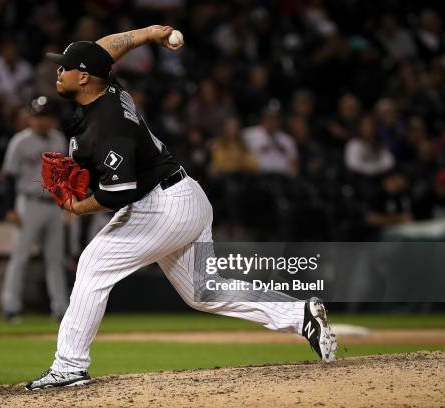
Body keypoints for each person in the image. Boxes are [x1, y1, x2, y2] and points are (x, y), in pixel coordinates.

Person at [24, 25, 337, 390]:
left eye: (64, 67)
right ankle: (300, 315)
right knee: (204, 292)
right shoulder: (103, 87)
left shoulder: (107, 126)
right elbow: (105, 48)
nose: (57, 72)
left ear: (83, 77)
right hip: (185, 197)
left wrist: (79, 209)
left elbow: (119, 192)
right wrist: (151, 32)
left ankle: (69, 367)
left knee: (93, 266)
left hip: (161, 206)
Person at [0, 97, 69, 323]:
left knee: (55, 259)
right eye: (38, 116)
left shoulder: (59, 140)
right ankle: (11, 307)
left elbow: (65, 177)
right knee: (20, 256)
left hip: (54, 205)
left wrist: (68, 203)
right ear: (30, 117)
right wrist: (10, 207)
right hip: (27, 203)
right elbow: (8, 177)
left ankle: (60, 309)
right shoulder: (20, 142)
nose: (41, 120)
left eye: (46, 116)